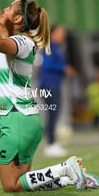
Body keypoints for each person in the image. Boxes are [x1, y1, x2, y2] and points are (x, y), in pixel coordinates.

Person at [0, 0, 99, 193]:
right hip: (24, 119)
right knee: (21, 184)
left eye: (10, 7)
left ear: (19, 18)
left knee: (11, 185)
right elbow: (1, 26)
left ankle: (66, 167)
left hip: (15, 119)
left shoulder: (21, 42)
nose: (6, 9)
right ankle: (73, 178)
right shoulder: (19, 40)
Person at [38, 24, 75, 157]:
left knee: (54, 113)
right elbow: (47, 65)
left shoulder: (58, 47)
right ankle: (51, 144)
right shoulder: (49, 46)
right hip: (49, 84)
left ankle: (53, 143)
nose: (62, 35)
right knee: (52, 113)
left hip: (55, 84)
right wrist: (63, 67)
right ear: (52, 33)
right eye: (60, 32)